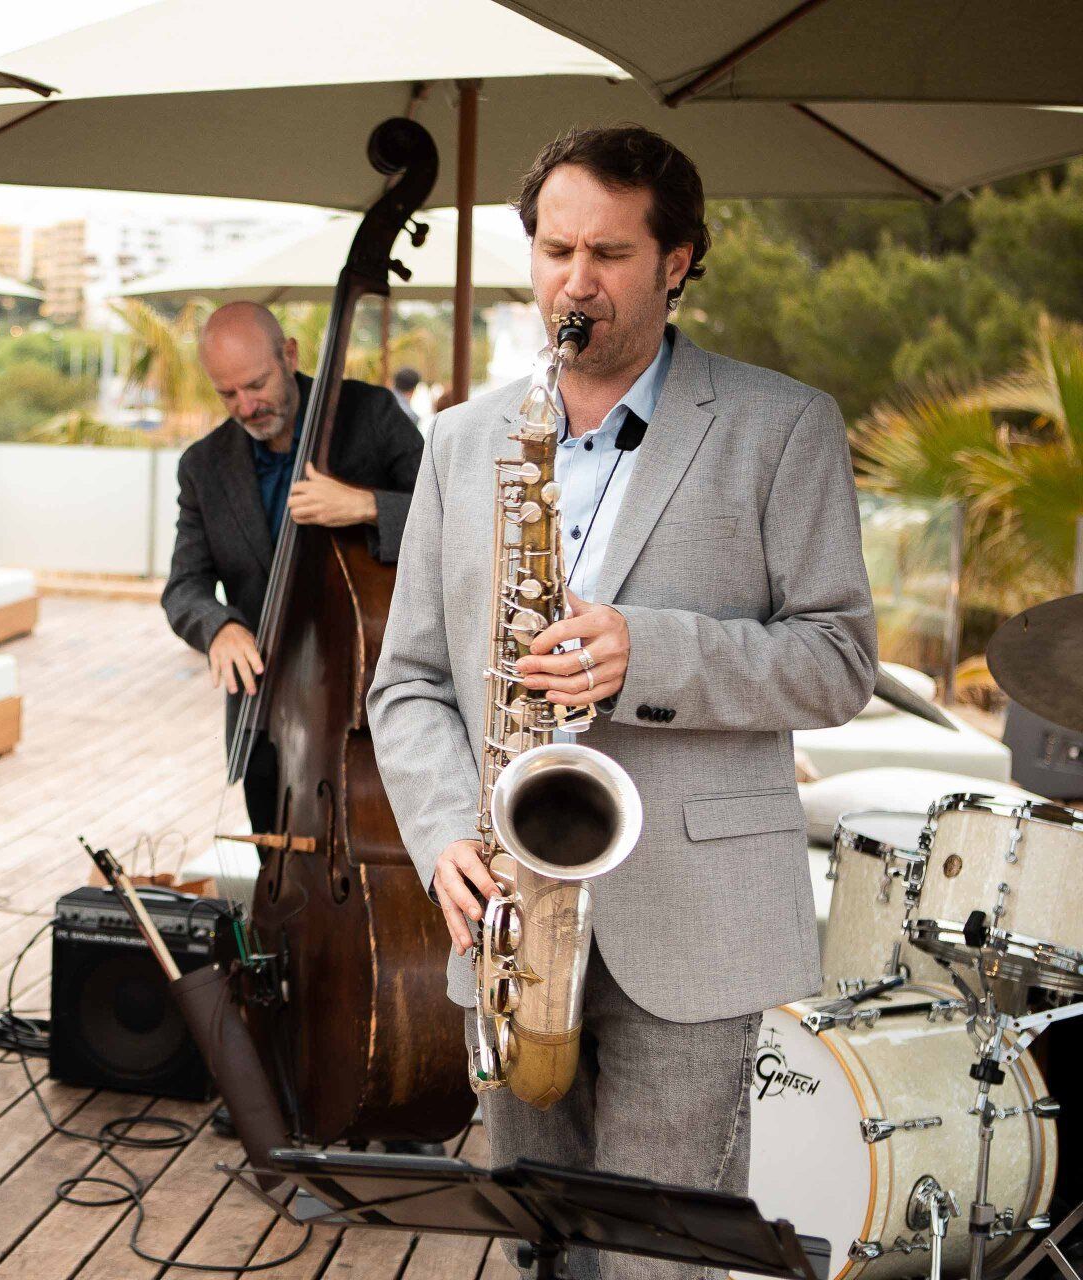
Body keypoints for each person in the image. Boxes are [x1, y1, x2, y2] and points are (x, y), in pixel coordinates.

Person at [367, 125, 875, 1280]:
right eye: (555, 251)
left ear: (676, 260)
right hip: (510, 911)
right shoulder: (465, 439)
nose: (575, 282)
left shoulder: (783, 425)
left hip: (696, 920)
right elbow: (409, 680)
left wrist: (648, 651)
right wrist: (444, 834)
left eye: (609, 253)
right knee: (536, 1244)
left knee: (658, 1261)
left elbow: (840, 658)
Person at [162, 301, 423, 832]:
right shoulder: (203, 466)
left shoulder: (371, 414)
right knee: (274, 857)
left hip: (374, 702)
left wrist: (368, 506)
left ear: (289, 355)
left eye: (256, 384)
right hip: (266, 717)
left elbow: (455, 517)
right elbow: (183, 587)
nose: (246, 406)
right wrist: (218, 626)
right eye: (227, 394)